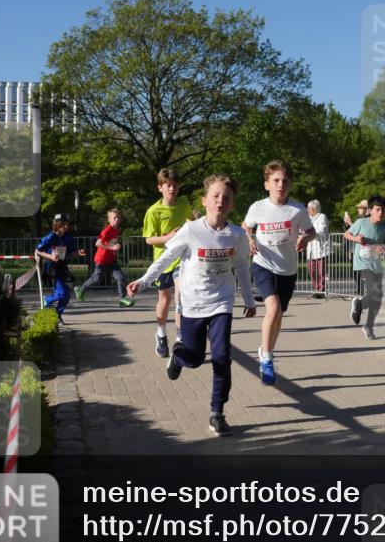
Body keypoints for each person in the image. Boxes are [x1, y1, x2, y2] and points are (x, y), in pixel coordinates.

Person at [128, 175, 255, 437]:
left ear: (232, 204)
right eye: (216, 196)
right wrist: (143, 280)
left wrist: (250, 298)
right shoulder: (192, 230)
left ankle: (217, 413)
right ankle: (179, 356)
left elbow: (242, 266)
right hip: (193, 304)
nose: (221, 201)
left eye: (226, 198)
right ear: (204, 201)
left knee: (221, 357)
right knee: (195, 359)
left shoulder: (237, 235)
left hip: (221, 303)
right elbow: (167, 258)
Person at [242, 161, 316, 385]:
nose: (280, 184)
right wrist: (249, 238)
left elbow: (311, 231)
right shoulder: (258, 207)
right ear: (267, 184)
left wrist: (305, 238)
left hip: (288, 269)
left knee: (278, 314)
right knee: (272, 307)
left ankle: (267, 349)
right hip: (263, 264)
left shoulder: (297, 210)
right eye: (276, 180)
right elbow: (245, 226)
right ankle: (265, 358)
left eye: (284, 181)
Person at [142, 169, 194, 358]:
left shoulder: (184, 204)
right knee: (165, 299)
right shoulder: (153, 211)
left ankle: (180, 338)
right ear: (160, 188)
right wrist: (169, 237)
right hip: (163, 261)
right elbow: (148, 239)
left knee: (181, 298)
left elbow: (192, 222)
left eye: (175, 185)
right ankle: (161, 333)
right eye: (168, 185)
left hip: (182, 260)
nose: (172, 188)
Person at [345, 195, 385, 340]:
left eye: (383, 210)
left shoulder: (384, 227)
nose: (381, 212)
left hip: (376, 264)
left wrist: (384, 249)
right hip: (362, 264)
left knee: (378, 297)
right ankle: (360, 303)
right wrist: (356, 239)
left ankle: (368, 325)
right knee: (373, 293)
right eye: (377, 209)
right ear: (370, 210)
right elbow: (346, 234)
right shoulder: (361, 222)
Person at [76, 208, 134, 307]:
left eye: (118, 218)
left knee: (121, 277)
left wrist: (114, 248)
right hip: (101, 260)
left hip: (111, 260)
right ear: (109, 219)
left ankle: (122, 299)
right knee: (96, 278)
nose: (117, 219)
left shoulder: (116, 230)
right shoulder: (107, 230)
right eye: (114, 218)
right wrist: (112, 247)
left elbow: (111, 243)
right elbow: (97, 243)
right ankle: (80, 290)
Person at [36, 213, 86, 319]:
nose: (66, 227)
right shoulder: (50, 237)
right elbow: (37, 250)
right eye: (63, 224)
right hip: (51, 267)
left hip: (62, 267)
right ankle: (48, 300)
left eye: (67, 224)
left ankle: (57, 314)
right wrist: (50, 256)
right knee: (62, 293)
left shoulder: (68, 237)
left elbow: (69, 253)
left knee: (66, 295)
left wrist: (77, 253)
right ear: (56, 224)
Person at [344, 199, 369, 297]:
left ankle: (364, 290)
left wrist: (350, 223)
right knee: (355, 270)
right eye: (358, 207)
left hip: (364, 249)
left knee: (362, 271)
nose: (358, 209)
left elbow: (362, 231)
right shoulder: (358, 218)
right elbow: (352, 231)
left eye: (360, 207)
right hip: (355, 248)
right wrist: (347, 225)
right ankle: (359, 289)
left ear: (366, 209)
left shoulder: (368, 219)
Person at [305, 200, 330, 298]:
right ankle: (316, 288)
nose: (307, 210)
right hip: (311, 249)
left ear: (314, 209)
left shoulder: (322, 216)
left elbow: (322, 229)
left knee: (321, 271)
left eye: (309, 208)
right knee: (312, 270)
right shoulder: (308, 218)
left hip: (321, 248)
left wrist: (310, 233)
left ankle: (321, 290)